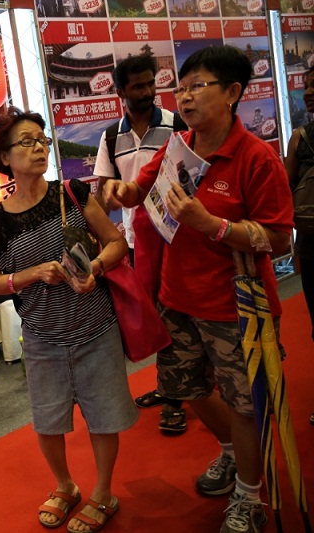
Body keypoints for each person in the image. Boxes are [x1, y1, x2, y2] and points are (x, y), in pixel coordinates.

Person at [103, 45, 294, 533]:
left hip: (236, 307)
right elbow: (137, 190)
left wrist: (214, 225)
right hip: (176, 297)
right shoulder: (178, 146)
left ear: (232, 93)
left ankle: (250, 496)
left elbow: (278, 237)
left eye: (197, 87)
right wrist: (115, 192)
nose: (184, 98)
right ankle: (232, 453)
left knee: (245, 403)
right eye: (181, 88)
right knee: (186, 390)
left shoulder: (258, 159)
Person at [0, 107, 135, 532]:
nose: (38, 148)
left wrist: (97, 269)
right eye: (26, 142)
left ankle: (103, 492)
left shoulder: (72, 193)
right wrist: (28, 275)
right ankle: (65, 485)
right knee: (48, 421)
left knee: (104, 415)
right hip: (43, 337)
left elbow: (116, 243)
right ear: (5, 157)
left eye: (42, 141)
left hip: (95, 328)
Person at [93, 53, 189, 434]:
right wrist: (109, 201)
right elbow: (101, 190)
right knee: (155, 319)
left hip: (181, 236)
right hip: (138, 239)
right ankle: (171, 388)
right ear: (120, 92)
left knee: (178, 314)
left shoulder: (177, 124)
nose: (148, 92)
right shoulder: (111, 136)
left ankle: (179, 397)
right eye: (138, 86)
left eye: (151, 83)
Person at [283, 65, 314, 426]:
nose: (308, 91)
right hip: (311, 245)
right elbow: (286, 193)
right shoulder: (299, 137)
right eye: (306, 85)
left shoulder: (300, 138)